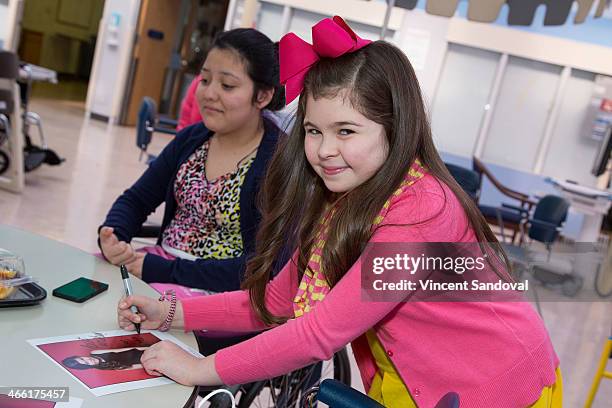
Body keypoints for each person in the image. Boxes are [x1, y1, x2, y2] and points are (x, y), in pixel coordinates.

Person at [117, 17, 561, 408]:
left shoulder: (423, 209)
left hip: (494, 384)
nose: (325, 151)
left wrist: (200, 368)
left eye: (345, 131)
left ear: (396, 129)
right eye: (313, 130)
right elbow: (277, 301)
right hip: (412, 378)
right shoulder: (341, 198)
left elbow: (317, 334)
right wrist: (172, 312)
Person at [99, 28, 286, 292]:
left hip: (218, 291)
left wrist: (161, 270)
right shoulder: (192, 139)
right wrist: (114, 235)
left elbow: (261, 266)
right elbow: (137, 200)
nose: (209, 93)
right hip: (159, 268)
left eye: (227, 85)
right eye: (205, 80)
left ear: (263, 96)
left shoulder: (278, 161)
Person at [62, 347, 147, 371]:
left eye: (83, 359)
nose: (88, 360)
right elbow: (131, 367)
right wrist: (147, 364)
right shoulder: (106, 367)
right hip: (147, 361)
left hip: (142, 351)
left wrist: (149, 348)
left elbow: (122, 350)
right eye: (86, 363)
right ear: (88, 367)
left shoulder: (95, 352)